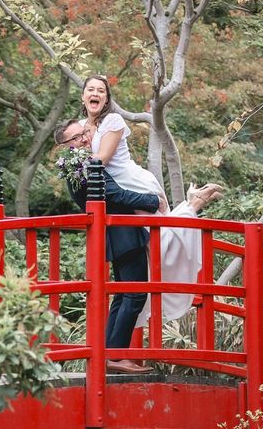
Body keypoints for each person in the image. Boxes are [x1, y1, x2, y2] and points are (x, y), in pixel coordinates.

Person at [79, 75, 223, 326]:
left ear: (106, 99)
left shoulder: (112, 121)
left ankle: (192, 205)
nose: (95, 93)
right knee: (147, 248)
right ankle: (191, 204)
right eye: (90, 89)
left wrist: (74, 159)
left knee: (160, 237)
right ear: (83, 96)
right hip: (115, 194)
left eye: (101, 91)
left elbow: (98, 162)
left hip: (132, 184)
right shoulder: (80, 127)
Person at [54, 119, 164, 374]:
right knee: (135, 293)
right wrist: (152, 200)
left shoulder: (79, 163)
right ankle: (115, 355)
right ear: (65, 146)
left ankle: (110, 352)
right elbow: (114, 194)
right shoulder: (84, 164)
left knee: (124, 294)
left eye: (84, 133)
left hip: (115, 233)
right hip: (121, 233)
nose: (84, 139)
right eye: (76, 138)